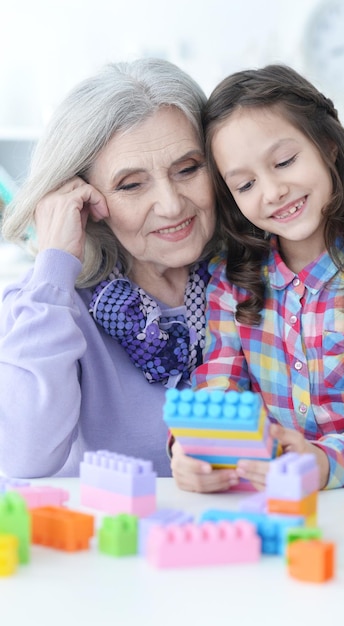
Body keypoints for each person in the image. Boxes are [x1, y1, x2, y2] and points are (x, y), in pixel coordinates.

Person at [171, 64, 344, 492]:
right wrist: (193, 451)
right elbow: (219, 393)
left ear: (328, 145)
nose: (271, 192)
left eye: (284, 161)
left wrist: (322, 462)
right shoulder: (230, 285)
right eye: (245, 185)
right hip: (266, 501)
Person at [0, 58, 219, 479]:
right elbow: (24, 458)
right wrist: (54, 263)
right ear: (87, 200)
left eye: (188, 169)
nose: (171, 204)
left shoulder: (261, 278)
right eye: (131, 185)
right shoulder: (52, 303)